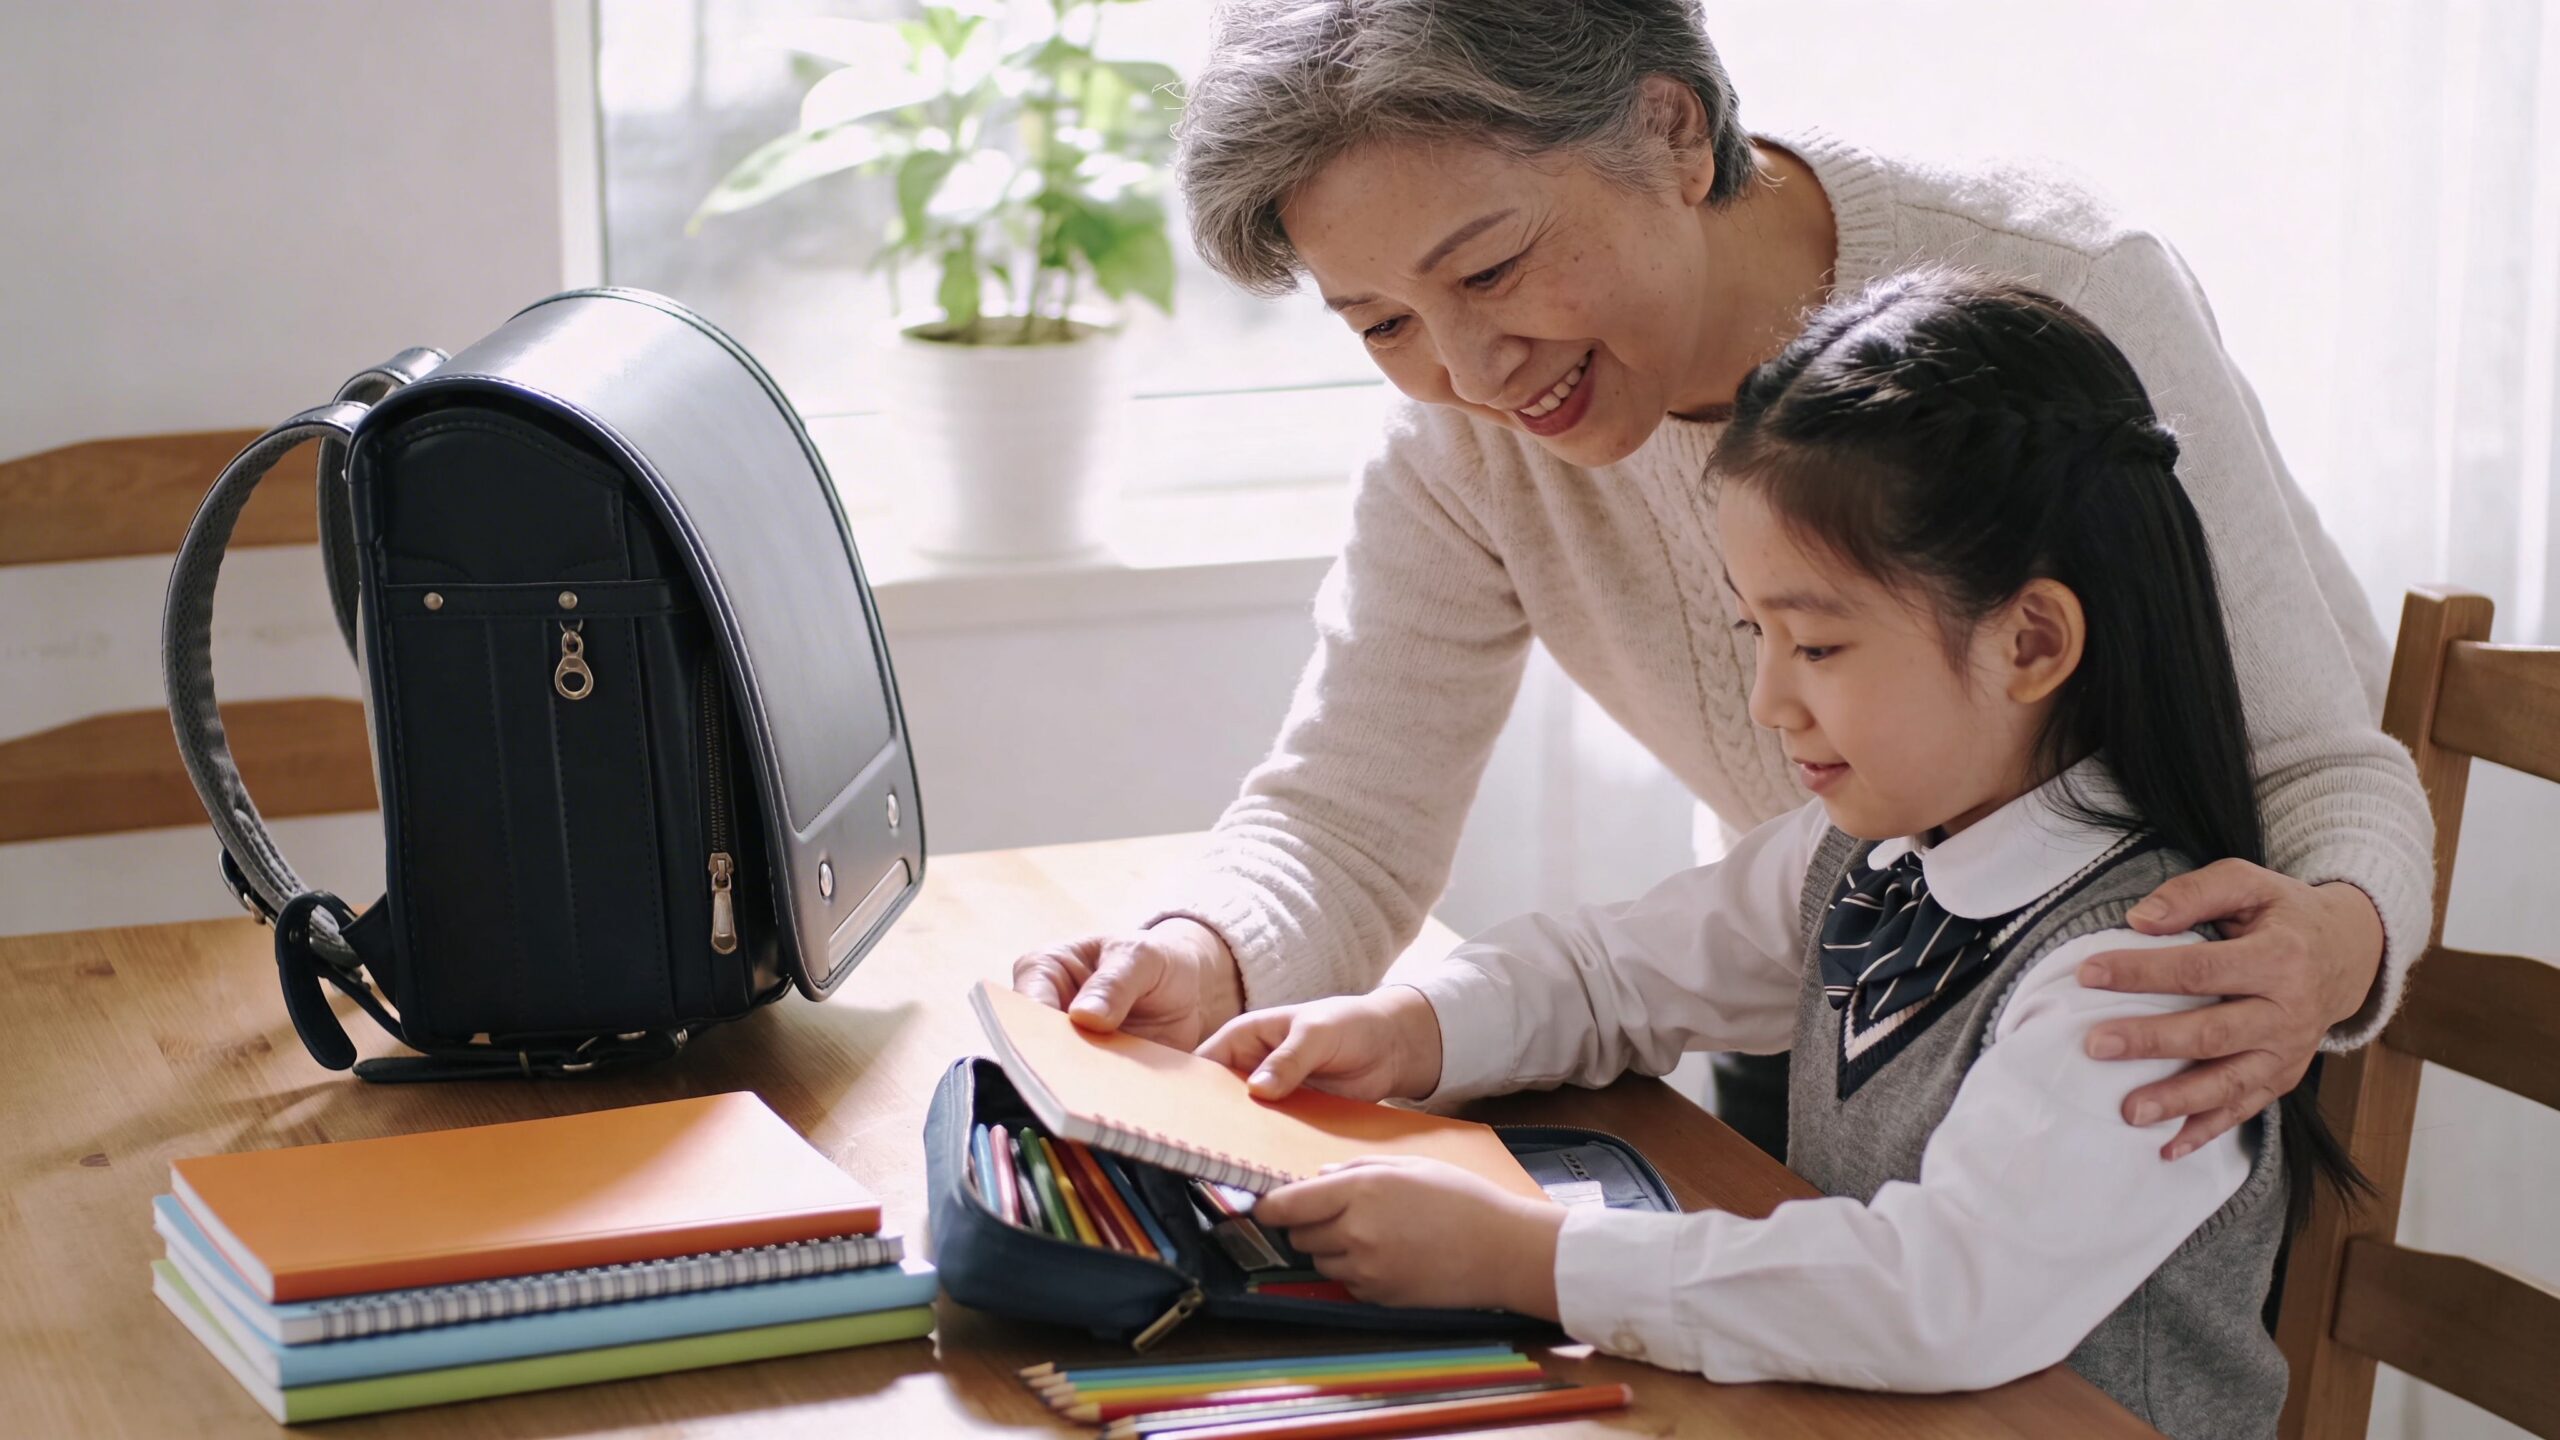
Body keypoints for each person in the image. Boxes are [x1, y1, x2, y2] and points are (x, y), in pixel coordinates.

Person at [1014, 0, 2431, 1165]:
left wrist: (2326, 947)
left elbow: (2318, 769)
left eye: (1495, 266)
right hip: (1829, 1004)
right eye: (1383, 320)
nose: (1470, 372)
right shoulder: (1463, 442)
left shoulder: (2050, 290)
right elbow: (1344, 817)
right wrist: (1197, 951)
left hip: (2147, 1057)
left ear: (1672, 131)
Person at [1194, 271, 2361, 1438]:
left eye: (1816, 645)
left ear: (2030, 639)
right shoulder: (1868, 853)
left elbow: (1932, 1299)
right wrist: (1411, 1028)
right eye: (1759, 636)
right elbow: (1616, 973)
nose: (1767, 702)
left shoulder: (2149, 978)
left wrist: (1528, 1256)